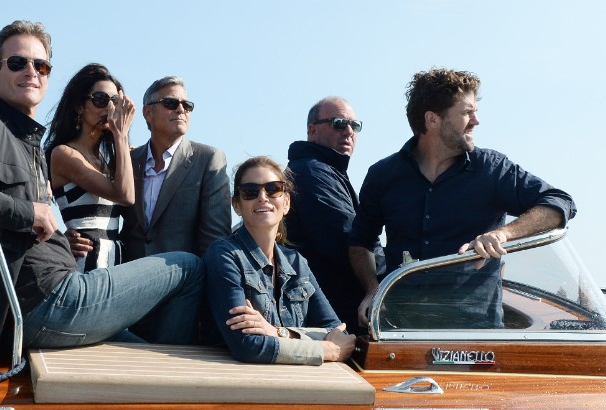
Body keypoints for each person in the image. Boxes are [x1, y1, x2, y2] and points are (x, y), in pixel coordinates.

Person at [0, 20, 203, 355]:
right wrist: (26, 211)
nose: (31, 71)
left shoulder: (28, 143)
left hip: (55, 294)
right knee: (187, 267)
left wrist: (61, 238)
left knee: (151, 360)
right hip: (45, 299)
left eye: (41, 65)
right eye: (18, 63)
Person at [349, 68, 576, 328]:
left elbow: (560, 203)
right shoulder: (382, 175)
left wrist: (502, 235)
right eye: (467, 112)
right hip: (399, 327)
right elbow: (360, 242)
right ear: (432, 120)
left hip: (476, 332)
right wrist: (372, 289)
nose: (476, 121)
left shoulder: (493, 169)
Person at [204, 156, 355, 365]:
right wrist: (322, 349)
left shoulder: (297, 262)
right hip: (237, 382)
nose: (262, 197)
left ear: (286, 202)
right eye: (250, 191)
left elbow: (339, 333)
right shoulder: (225, 255)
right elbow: (246, 346)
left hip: (296, 382)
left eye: (273, 189)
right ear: (236, 205)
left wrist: (277, 332)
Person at [71, 76, 231, 262]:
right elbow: (97, 212)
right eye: (170, 103)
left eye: (187, 106)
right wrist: (67, 238)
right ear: (148, 112)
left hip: (185, 284)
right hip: (130, 282)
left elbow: (215, 241)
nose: (181, 109)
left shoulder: (209, 160)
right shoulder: (125, 161)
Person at [285, 96, 383, 335]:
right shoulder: (311, 172)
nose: (348, 131)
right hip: (334, 315)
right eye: (339, 123)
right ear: (312, 130)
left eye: (355, 125)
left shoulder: (326, 170)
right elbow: (349, 241)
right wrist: (397, 279)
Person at [45, 63, 135, 272]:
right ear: (79, 106)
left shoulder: (107, 160)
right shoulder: (64, 154)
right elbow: (125, 195)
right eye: (101, 100)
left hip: (113, 266)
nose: (110, 108)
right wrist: (120, 134)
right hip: (86, 268)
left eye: (115, 101)